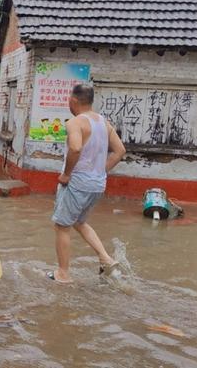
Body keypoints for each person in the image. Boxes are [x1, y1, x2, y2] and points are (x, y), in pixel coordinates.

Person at [48, 84, 126, 284]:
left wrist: (66, 174)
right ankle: (106, 259)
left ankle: (63, 274)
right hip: (97, 184)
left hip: (77, 183)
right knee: (78, 222)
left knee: (62, 226)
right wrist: (100, 170)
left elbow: (75, 148)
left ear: (73, 100)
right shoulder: (104, 122)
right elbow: (120, 151)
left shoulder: (75, 123)